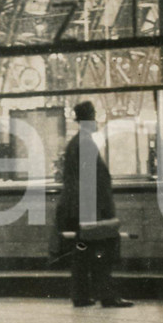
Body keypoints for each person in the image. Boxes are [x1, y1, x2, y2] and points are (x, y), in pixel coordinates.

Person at [56, 101, 133, 308]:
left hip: (78, 207)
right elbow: (93, 180)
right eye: (94, 115)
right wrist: (104, 210)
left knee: (82, 254)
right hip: (91, 207)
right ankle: (107, 296)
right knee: (102, 253)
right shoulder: (86, 143)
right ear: (89, 118)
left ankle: (81, 295)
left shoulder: (75, 143)